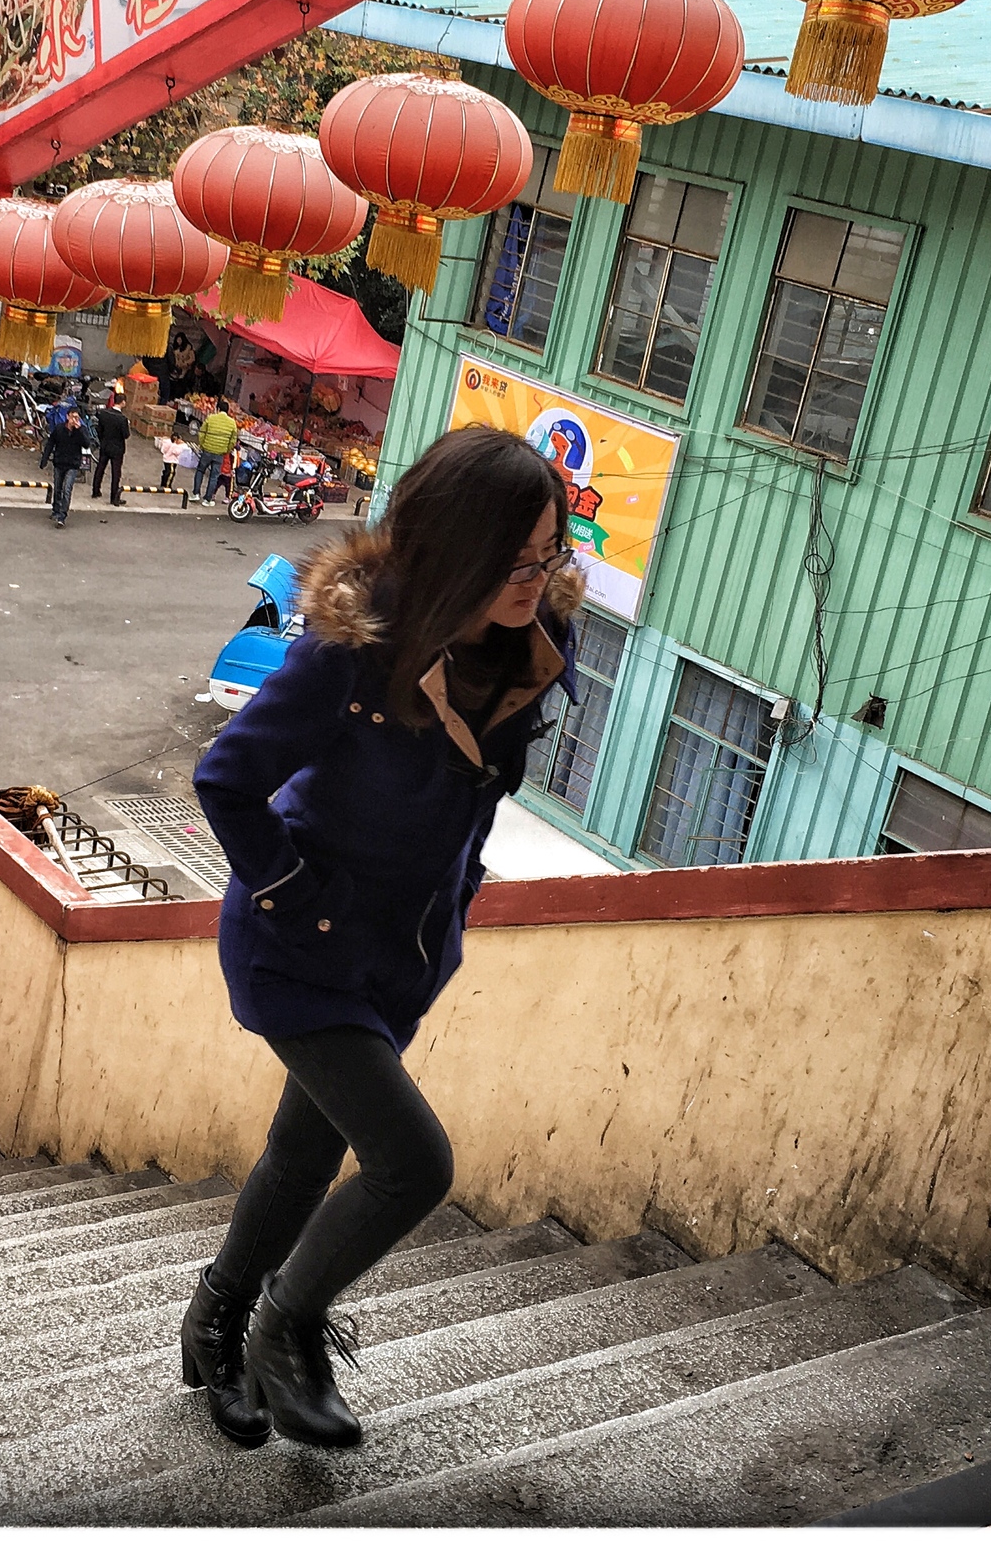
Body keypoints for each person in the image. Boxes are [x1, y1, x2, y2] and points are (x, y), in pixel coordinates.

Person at [183, 427, 583, 1449]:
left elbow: (477, 798)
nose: (535, 579)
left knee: (300, 1157)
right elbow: (226, 780)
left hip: (403, 959)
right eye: (514, 559)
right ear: (448, 547)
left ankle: (213, 1327)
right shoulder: (348, 658)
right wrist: (299, 894)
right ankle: (284, 1328)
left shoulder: (531, 652)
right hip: (302, 949)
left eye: (548, 554)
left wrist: (453, 902)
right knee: (412, 1164)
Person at [42, 400, 88, 527]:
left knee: (67, 489)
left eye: (77, 417)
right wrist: (45, 459)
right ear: (67, 417)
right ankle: (56, 509)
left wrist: (79, 430)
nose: (74, 420)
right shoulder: (59, 429)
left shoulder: (81, 430)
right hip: (59, 462)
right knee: (58, 488)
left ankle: (62, 516)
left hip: (72, 464)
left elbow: (86, 444)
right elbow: (51, 443)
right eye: (72, 417)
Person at [193, 398, 238, 506]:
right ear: (228, 411)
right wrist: (226, 450)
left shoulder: (211, 418)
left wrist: (203, 444)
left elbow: (202, 433)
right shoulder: (232, 423)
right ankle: (207, 499)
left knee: (200, 471)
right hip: (220, 453)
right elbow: (232, 441)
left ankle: (196, 494)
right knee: (214, 476)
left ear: (217, 409)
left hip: (207, 450)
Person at [91, 389, 131, 505]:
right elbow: (126, 435)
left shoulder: (104, 414)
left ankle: (95, 490)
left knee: (100, 468)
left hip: (105, 445)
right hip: (117, 448)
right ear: (123, 402)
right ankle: (114, 497)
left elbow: (99, 429)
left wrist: (102, 439)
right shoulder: (122, 419)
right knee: (116, 473)